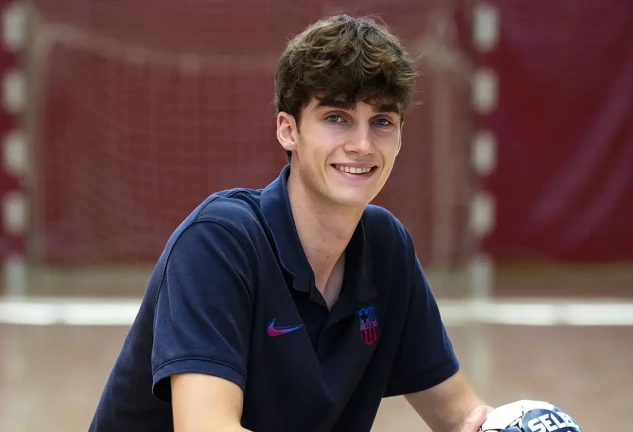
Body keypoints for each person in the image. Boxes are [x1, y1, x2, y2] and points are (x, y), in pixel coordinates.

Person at [89, 14, 492, 432]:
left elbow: (461, 416)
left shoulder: (386, 246)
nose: (362, 144)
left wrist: (514, 424)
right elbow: (206, 427)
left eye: (382, 122)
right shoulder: (217, 242)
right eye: (336, 117)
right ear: (288, 130)